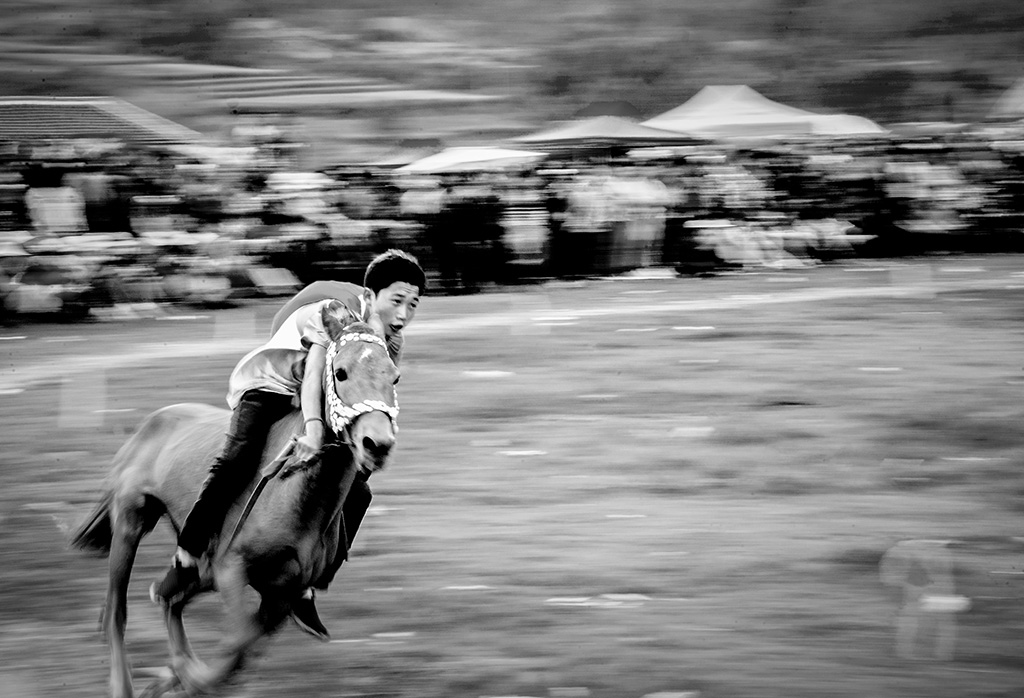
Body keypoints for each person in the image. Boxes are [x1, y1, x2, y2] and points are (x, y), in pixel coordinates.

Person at [150, 249, 426, 641]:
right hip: (274, 385)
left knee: (357, 492)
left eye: (413, 305)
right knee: (238, 459)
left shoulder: (389, 341)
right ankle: (187, 559)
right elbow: (315, 372)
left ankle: (307, 587)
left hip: (321, 396)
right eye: (396, 301)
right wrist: (313, 429)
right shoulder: (337, 313)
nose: (403, 315)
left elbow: (374, 391)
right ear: (371, 294)